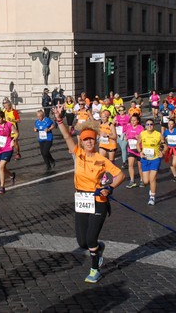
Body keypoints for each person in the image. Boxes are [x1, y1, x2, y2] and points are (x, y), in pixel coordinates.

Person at [52, 105, 126, 283]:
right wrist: (60, 119)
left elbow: (120, 175)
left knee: (91, 237)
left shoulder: (101, 159)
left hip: (98, 199)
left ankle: (95, 269)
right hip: (81, 199)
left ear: (95, 141)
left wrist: (110, 187)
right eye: (86, 140)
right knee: (82, 242)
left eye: (91, 140)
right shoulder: (78, 154)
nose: (89, 142)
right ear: (82, 142)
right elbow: (66, 136)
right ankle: (98, 249)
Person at [0, 111, 18, 194]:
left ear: (3, 118)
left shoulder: (9, 125)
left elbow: (16, 133)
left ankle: (2, 187)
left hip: (8, 147)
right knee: (2, 167)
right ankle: (12, 175)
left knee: (1, 167)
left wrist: (13, 140)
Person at [138, 119, 164, 206]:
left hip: (155, 158)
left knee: (152, 178)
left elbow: (165, 145)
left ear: (154, 125)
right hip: (145, 159)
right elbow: (138, 144)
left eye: (151, 124)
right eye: (148, 124)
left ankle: (152, 197)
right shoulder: (142, 134)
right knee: (146, 181)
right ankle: (151, 189)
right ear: (145, 126)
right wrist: (140, 152)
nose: (149, 126)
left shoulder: (158, 134)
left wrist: (163, 152)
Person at [124, 114, 144, 189]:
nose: (133, 122)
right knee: (130, 165)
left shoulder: (141, 128)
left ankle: (142, 180)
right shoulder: (129, 127)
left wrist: (138, 137)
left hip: (139, 149)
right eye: (132, 120)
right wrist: (126, 138)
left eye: (134, 120)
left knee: (140, 166)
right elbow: (127, 135)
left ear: (138, 121)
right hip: (131, 149)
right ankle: (132, 181)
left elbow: (143, 138)